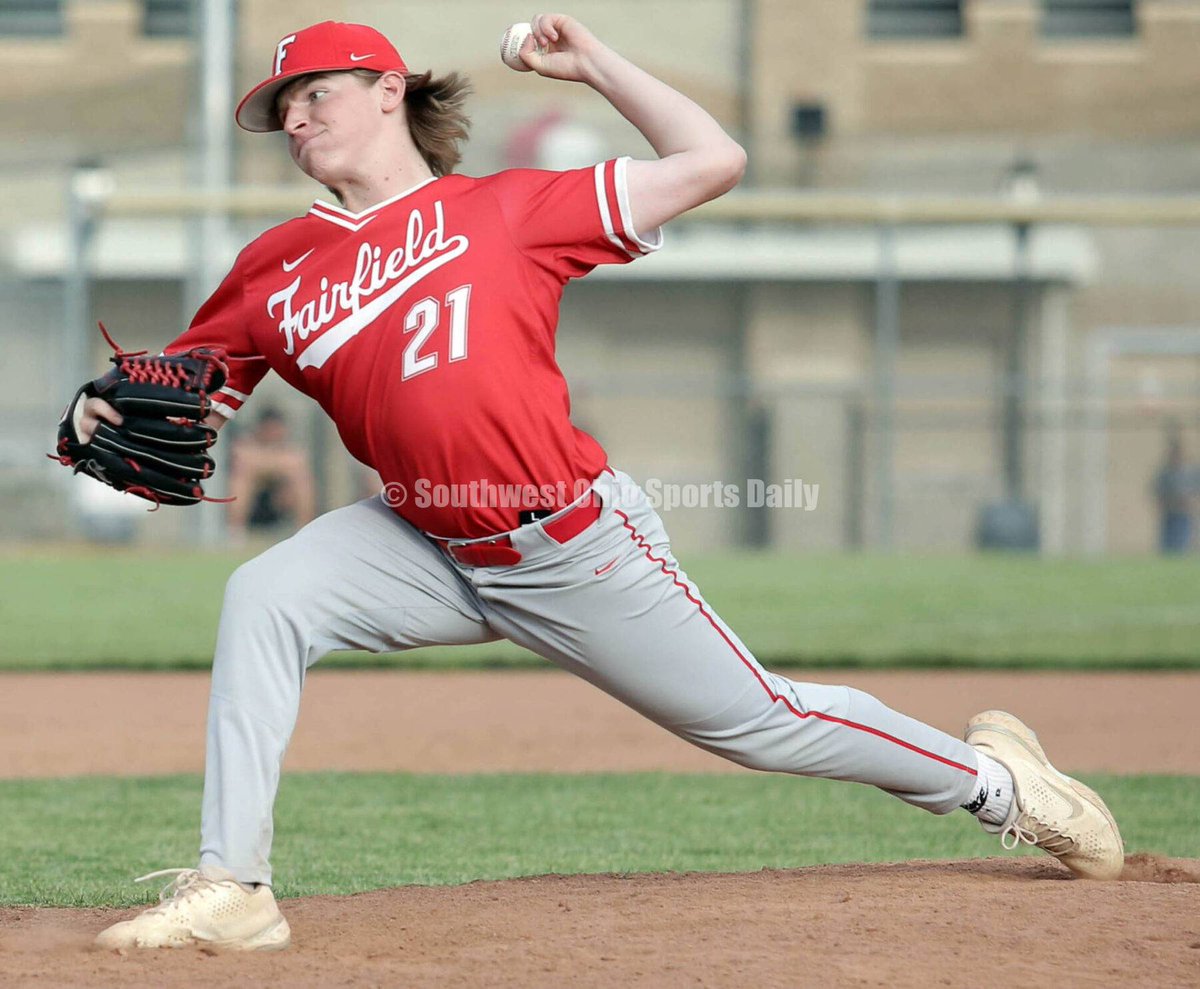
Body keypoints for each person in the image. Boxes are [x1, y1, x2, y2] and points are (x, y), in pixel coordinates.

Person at [74, 15, 1122, 952]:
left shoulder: (507, 209)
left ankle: (999, 783)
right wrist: (97, 413)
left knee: (762, 720)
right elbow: (180, 392)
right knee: (265, 593)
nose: (297, 120)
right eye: (282, 113)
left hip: (570, 545)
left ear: (388, 91)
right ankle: (235, 886)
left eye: (316, 95)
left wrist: (597, 67)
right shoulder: (278, 263)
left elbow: (714, 158)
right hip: (419, 539)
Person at [226, 405, 316, 540]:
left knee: (302, 479)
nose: (273, 433)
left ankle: (304, 532)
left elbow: (296, 464)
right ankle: (235, 534)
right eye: (269, 429)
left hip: (279, 503)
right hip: (255, 506)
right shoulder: (247, 445)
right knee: (241, 479)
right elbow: (244, 461)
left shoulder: (291, 450)